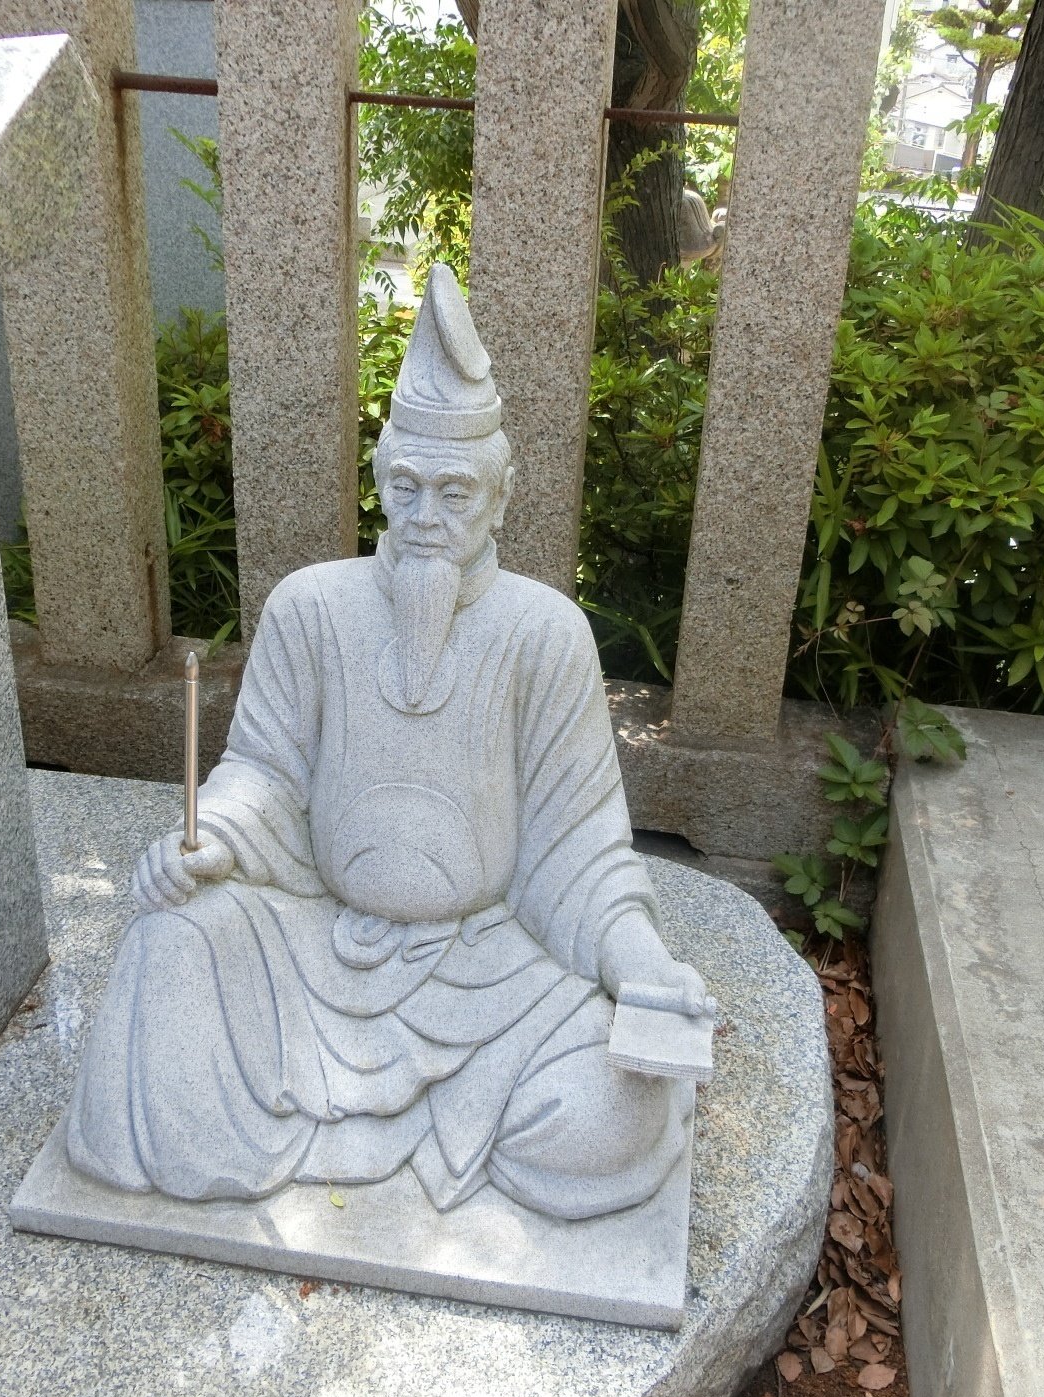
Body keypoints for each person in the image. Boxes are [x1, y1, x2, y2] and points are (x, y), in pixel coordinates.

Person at [62, 265, 712, 1221]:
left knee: (613, 1115)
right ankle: (365, 1135)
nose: (426, 519)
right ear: (378, 485)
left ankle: (389, 1127)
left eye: (455, 492)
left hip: (488, 969)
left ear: (501, 497)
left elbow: (577, 849)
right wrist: (216, 841)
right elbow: (265, 775)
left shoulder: (544, 635)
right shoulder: (312, 608)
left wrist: (641, 966)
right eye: (405, 487)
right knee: (166, 948)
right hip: (313, 946)